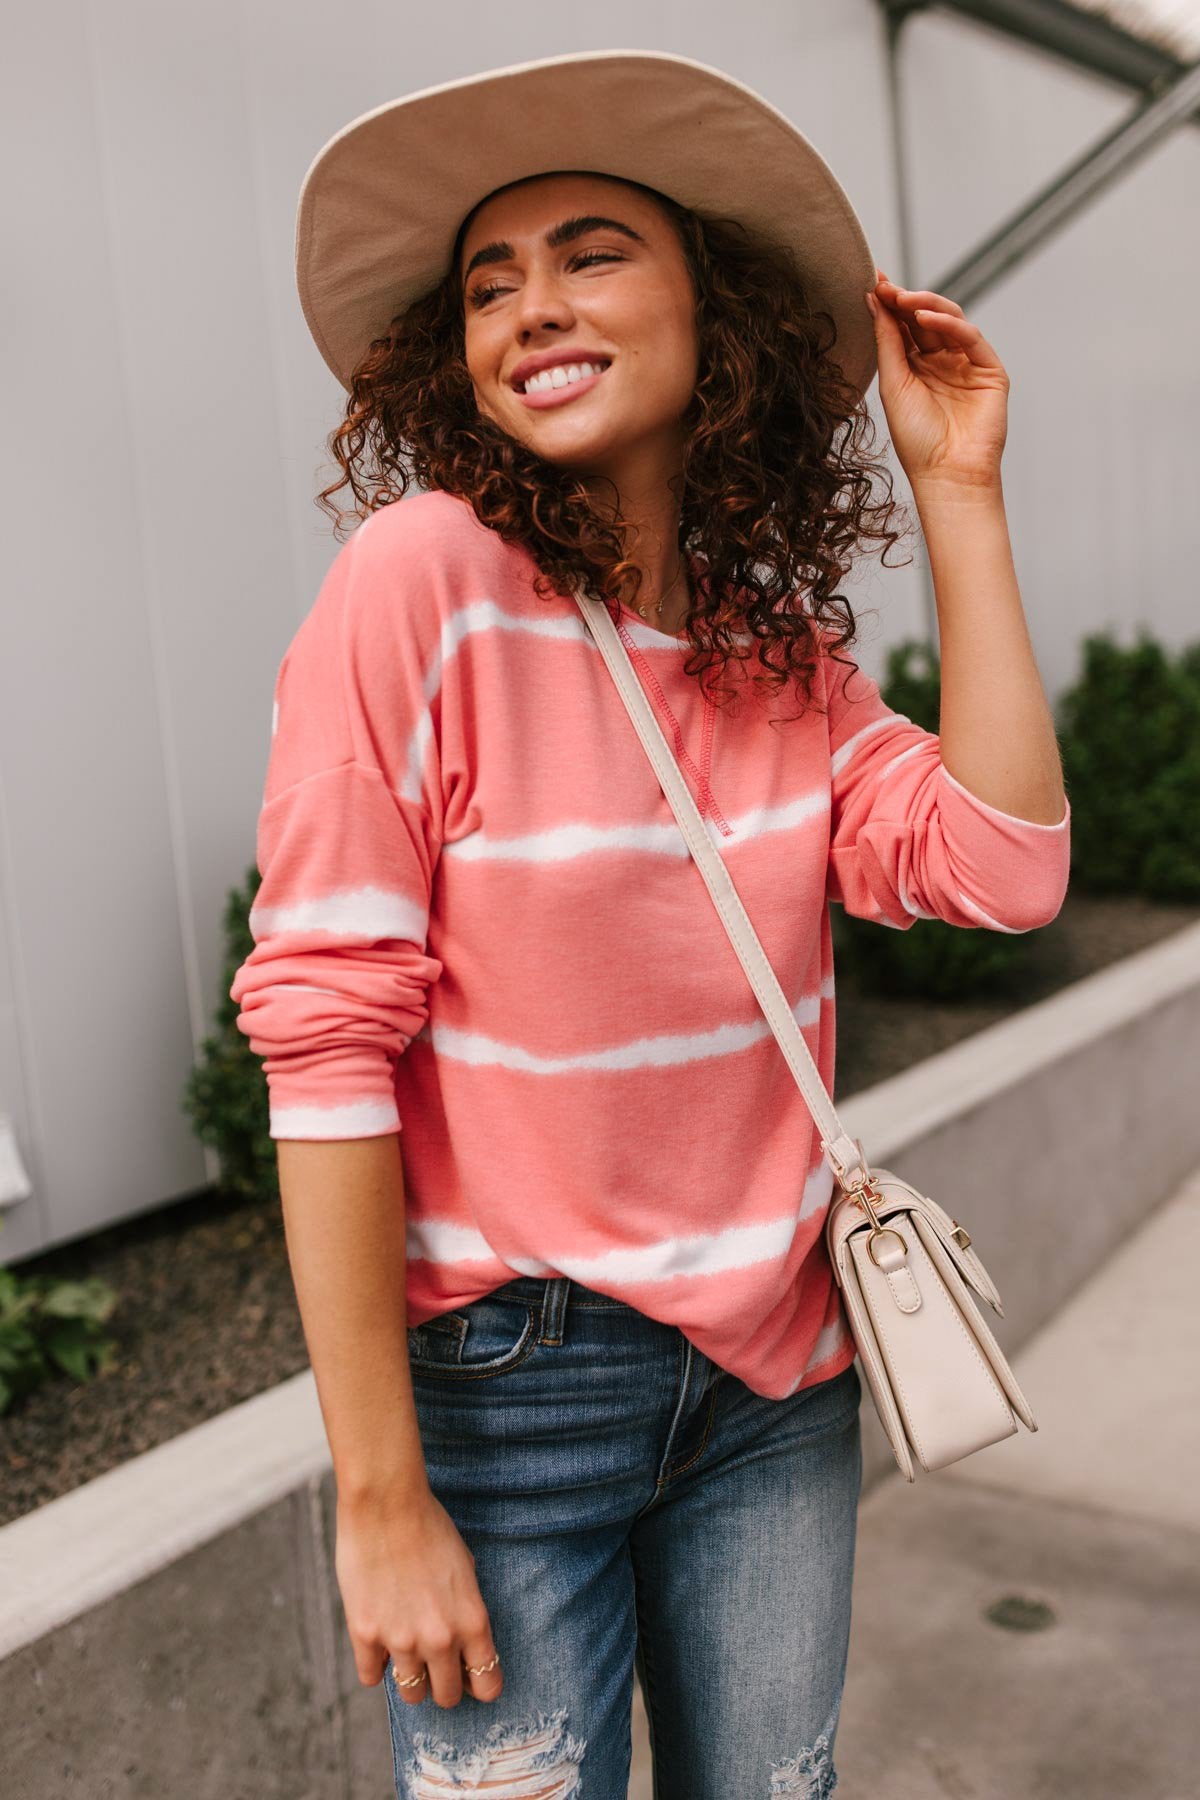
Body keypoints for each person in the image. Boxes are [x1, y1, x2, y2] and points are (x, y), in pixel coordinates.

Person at [230, 50, 1070, 1799]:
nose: (531, 305)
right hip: (512, 1389)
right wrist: (379, 1501)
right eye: (487, 280)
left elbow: (1005, 867)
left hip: (778, 1380)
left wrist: (961, 490)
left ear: (720, 315)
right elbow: (323, 1046)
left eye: (591, 252)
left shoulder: (775, 649)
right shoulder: (421, 582)